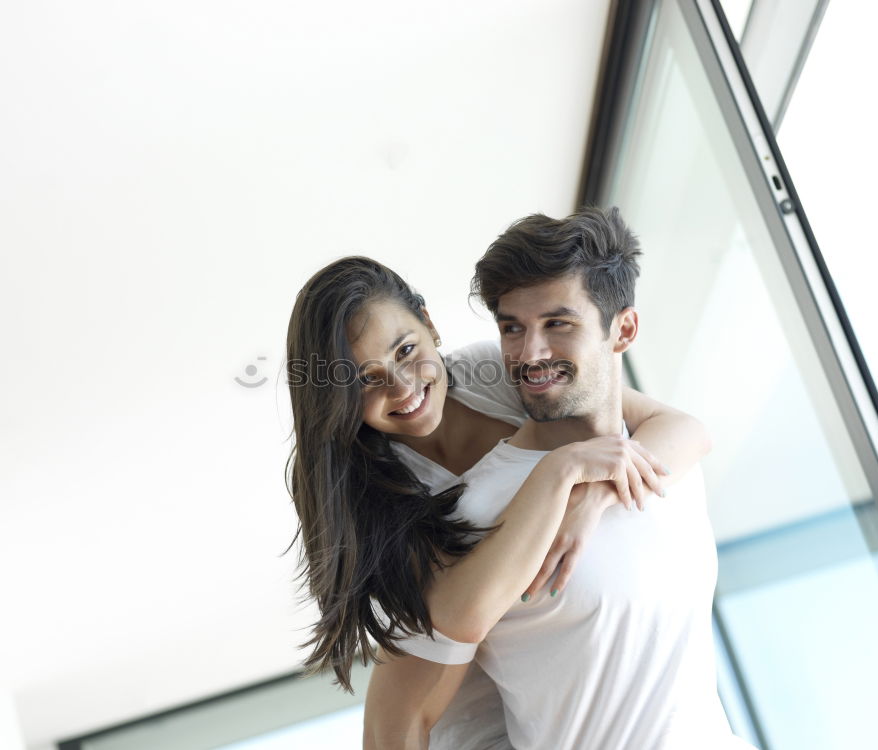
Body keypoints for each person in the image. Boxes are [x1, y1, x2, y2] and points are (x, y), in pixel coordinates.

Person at [284, 227, 710, 747]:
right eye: (366, 381)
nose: (402, 386)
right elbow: (452, 628)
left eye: (405, 349)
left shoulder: (493, 368)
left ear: (430, 324)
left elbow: (679, 428)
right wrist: (562, 470)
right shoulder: (388, 509)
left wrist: (593, 493)